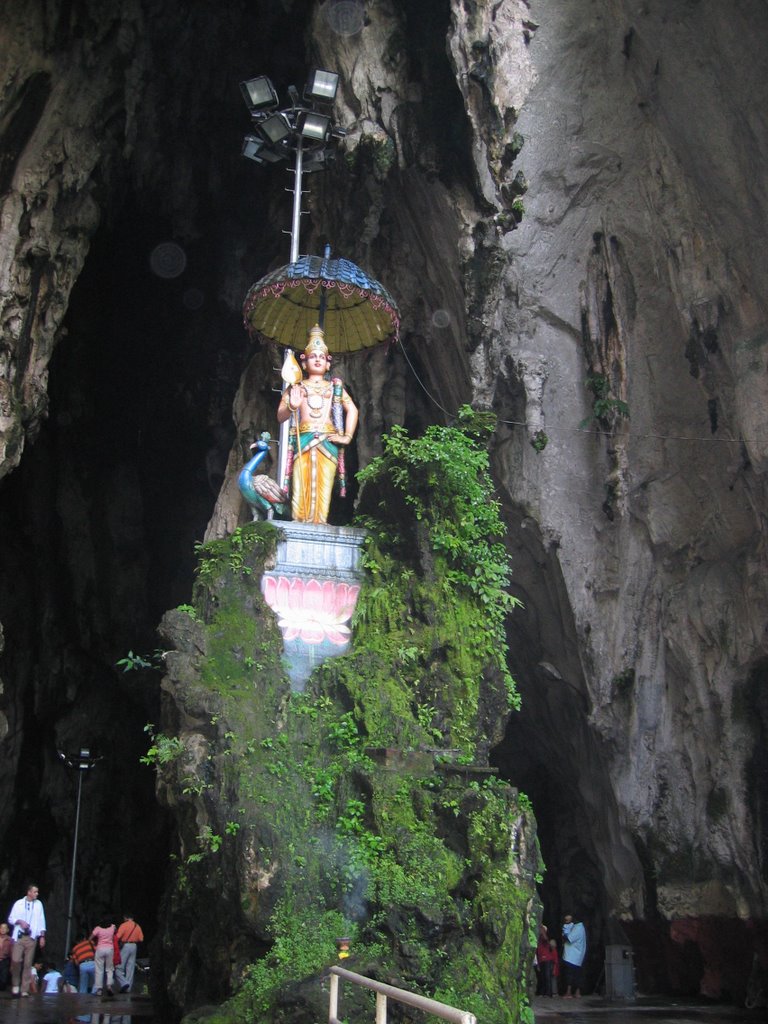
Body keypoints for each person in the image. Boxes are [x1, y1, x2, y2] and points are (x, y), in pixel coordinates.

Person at [276, 324, 358, 524]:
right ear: (304, 363)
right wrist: (292, 406)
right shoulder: (297, 387)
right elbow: (280, 416)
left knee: (324, 484)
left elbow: (353, 410)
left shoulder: (334, 387)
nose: (318, 360)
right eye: (313, 356)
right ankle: (299, 520)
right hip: (302, 439)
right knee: (301, 481)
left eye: (322, 357)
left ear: (328, 364)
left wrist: (346, 436)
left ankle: (320, 521)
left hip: (327, 439)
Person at [8, 882, 46, 997]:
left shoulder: (39, 904)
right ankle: (15, 984)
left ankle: (24, 989)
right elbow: (11, 918)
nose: (37, 894)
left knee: (28, 963)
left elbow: (41, 920)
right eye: (35, 892)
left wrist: (42, 936)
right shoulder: (19, 903)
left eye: (37, 892)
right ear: (29, 892)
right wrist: (19, 921)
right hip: (19, 936)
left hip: (31, 937)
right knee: (15, 960)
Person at [114, 912, 144, 992]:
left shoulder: (123, 925)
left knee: (119, 967)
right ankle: (128, 988)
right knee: (130, 967)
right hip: (134, 946)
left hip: (125, 946)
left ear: (125, 918)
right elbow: (141, 939)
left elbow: (118, 936)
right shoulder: (137, 926)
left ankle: (124, 983)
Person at [562, 913, 587, 997]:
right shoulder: (577, 927)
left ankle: (569, 992)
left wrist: (565, 932)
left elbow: (569, 938)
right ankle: (577, 992)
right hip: (576, 955)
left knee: (570, 974)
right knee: (576, 974)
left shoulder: (578, 927)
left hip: (572, 956)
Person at [90, 915, 116, 997]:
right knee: (109, 969)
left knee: (99, 969)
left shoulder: (98, 928)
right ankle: (109, 985)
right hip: (110, 949)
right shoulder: (113, 927)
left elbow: (90, 938)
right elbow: (115, 932)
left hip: (100, 949)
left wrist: (94, 945)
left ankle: (99, 989)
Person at [535, 924, 553, 996]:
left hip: (547, 959)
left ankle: (549, 993)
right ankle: (542, 992)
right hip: (541, 960)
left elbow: (545, 939)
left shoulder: (544, 938)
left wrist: (542, 930)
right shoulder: (538, 940)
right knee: (542, 977)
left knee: (547, 976)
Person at [0, 922, 11, 990]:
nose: (3, 929)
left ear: (7, 930)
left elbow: (12, 952)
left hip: (5, 961)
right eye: (1, 928)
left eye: (5, 928)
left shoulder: (10, 940)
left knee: (3, 979)